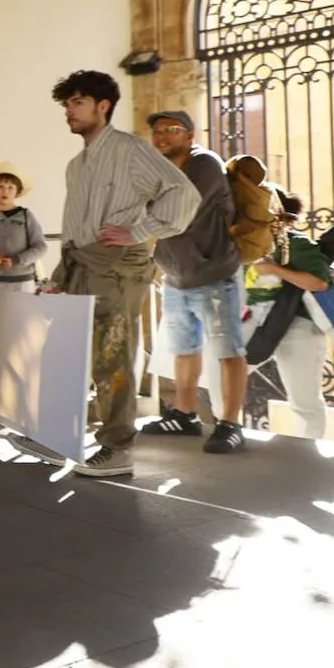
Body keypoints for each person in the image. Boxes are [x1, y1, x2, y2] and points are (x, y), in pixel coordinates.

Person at [42, 70, 199, 477]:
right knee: (71, 351)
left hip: (118, 269)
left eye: (76, 103)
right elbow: (76, 226)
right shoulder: (76, 165)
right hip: (82, 265)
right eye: (66, 105)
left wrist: (141, 230)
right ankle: (57, 436)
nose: (68, 112)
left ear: (103, 106)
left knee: (113, 355)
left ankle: (116, 449)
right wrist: (60, 274)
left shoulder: (130, 150)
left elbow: (183, 193)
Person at [142, 110, 248, 453]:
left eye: (171, 130)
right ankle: (185, 414)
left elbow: (182, 210)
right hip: (175, 276)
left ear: (189, 135)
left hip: (213, 273)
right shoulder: (162, 168)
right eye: (157, 131)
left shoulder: (205, 163)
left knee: (228, 350)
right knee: (184, 349)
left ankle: (230, 423)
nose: (162, 136)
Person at [242, 188, 332, 440]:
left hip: (298, 327)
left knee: (304, 401)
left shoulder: (297, 244)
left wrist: (275, 269)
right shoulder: (246, 247)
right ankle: (227, 429)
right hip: (256, 324)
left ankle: (308, 454)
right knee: (223, 375)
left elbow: (319, 282)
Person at [0, 162, 47, 355]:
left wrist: (18, 259)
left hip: (21, 282)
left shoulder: (26, 216)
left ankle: (20, 384)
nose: (5, 191)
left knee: (22, 333)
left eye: (10, 187)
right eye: (0, 186)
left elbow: (40, 246)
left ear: (17, 191)